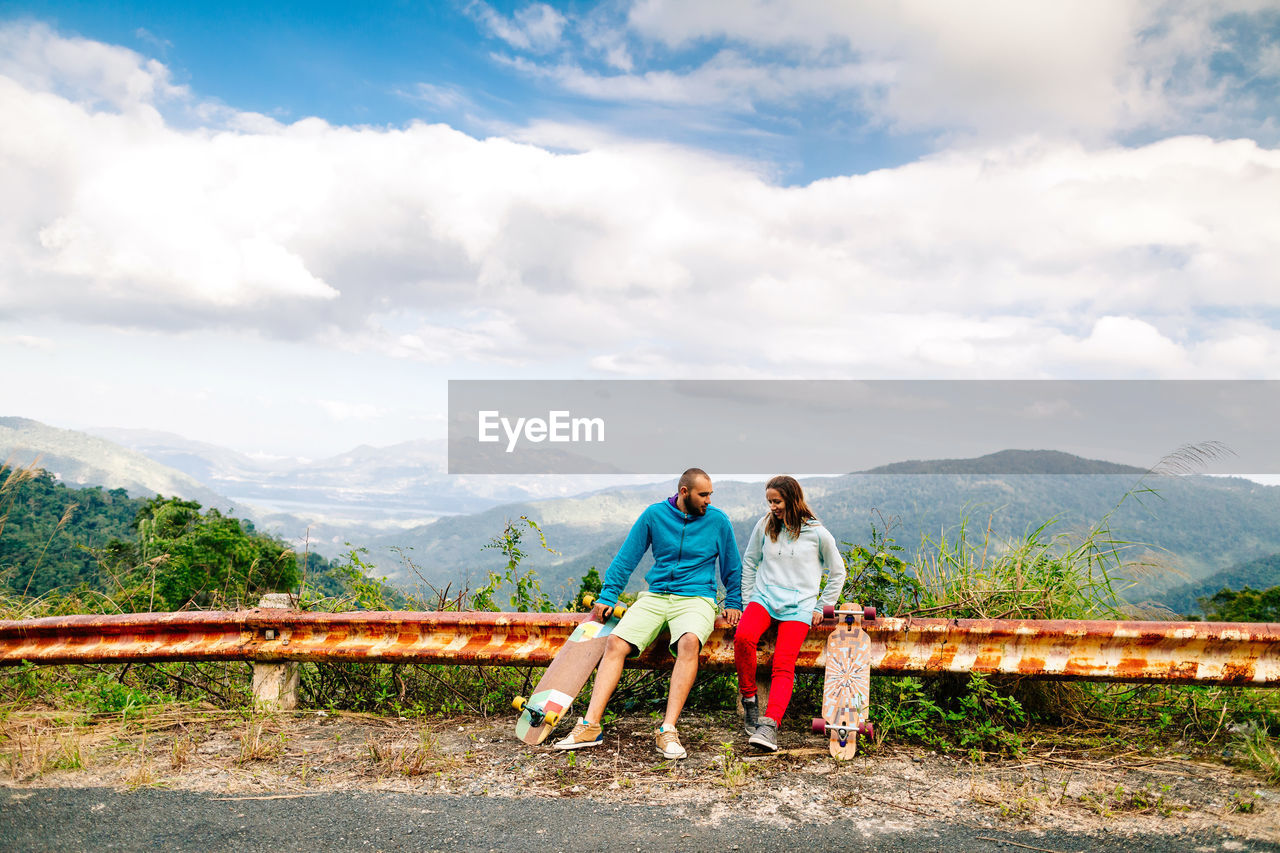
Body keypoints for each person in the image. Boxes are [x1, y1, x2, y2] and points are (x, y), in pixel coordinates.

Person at [554, 468, 743, 759]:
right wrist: (608, 595)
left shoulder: (718, 521)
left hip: (696, 598)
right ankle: (590, 725)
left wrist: (734, 600)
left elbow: (732, 565)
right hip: (656, 596)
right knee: (615, 642)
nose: (708, 500)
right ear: (684, 493)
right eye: (703, 494)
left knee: (689, 641)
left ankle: (667, 730)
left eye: (710, 494)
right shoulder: (654, 515)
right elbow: (627, 556)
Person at [734, 475, 847, 752]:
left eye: (777, 501)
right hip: (763, 599)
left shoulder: (818, 533)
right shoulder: (764, 525)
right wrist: (749, 600)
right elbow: (750, 561)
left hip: (799, 606)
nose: (772, 507)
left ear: (793, 500)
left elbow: (838, 572)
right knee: (743, 638)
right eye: (769, 501)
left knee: (783, 664)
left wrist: (821, 606)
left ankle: (769, 726)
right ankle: (750, 701)